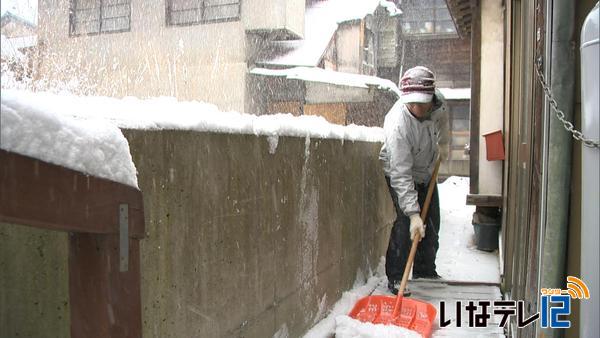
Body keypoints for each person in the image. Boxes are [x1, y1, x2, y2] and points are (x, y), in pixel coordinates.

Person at [379, 66, 450, 295]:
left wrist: (445, 145)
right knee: (405, 225)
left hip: (427, 169)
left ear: (431, 96)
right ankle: (397, 277)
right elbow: (401, 173)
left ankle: (425, 269)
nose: (417, 108)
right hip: (401, 172)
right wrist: (412, 214)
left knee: (432, 221)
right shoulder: (398, 125)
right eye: (412, 103)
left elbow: (443, 125)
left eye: (422, 102)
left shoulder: (439, 104)